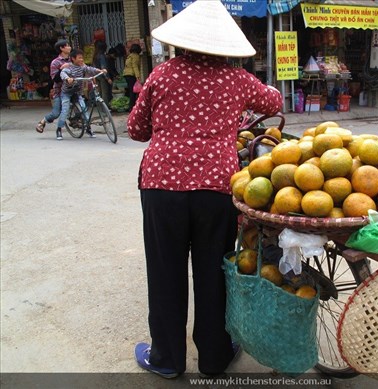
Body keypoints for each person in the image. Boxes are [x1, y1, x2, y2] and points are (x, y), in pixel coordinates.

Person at [127, 0, 282, 379]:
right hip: (216, 187)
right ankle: (213, 358)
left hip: (162, 185)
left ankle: (166, 359)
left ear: (181, 43)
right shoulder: (237, 79)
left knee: (165, 272)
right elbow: (274, 102)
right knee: (214, 272)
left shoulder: (161, 75)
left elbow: (136, 130)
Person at [56, 49, 106, 140]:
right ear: (73, 59)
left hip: (77, 92)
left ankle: (88, 129)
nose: (81, 60)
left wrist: (100, 71)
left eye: (82, 58)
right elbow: (63, 73)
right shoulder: (69, 67)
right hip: (67, 93)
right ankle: (59, 129)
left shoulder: (82, 66)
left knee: (84, 109)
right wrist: (68, 79)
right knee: (65, 110)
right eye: (79, 58)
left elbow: (91, 69)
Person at [35, 39, 71, 133]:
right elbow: (55, 79)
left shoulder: (73, 59)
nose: (70, 47)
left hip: (73, 88)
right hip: (59, 91)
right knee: (56, 113)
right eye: (67, 45)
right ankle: (42, 122)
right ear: (61, 48)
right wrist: (62, 69)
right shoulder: (55, 62)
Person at [122, 43, 142, 111]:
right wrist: (138, 76)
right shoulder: (135, 56)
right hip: (131, 75)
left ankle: (131, 106)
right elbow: (135, 66)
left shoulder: (129, 56)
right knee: (133, 92)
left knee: (131, 90)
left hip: (126, 75)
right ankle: (131, 107)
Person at [92, 40, 113, 105]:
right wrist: (108, 78)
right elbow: (103, 67)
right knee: (105, 93)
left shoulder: (95, 56)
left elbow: (94, 67)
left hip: (97, 76)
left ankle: (101, 108)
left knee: (99, 93)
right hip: (102, 76)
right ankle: (106, 108)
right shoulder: (102, 56)